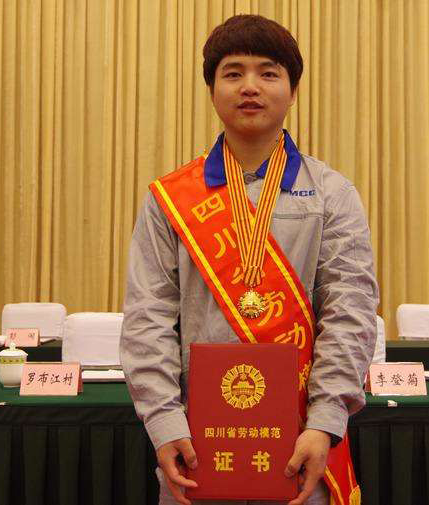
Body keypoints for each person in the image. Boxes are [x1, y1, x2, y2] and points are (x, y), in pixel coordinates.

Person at [121, 14, 379, 505]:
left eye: (268, 72)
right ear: (212, 89)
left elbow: (351, 310)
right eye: (233, 73)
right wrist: (164, 421)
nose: (250, 87)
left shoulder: (332, 194)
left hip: (303, 440)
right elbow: (147, 316)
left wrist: (325, 421)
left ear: (293, 90)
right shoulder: (170, 198)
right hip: (196, 443)